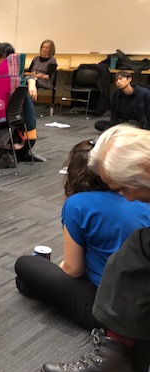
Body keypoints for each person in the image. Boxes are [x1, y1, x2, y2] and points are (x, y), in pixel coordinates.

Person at [41, 125, 150, 372]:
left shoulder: (77, 205)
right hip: (117, 302)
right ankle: (114, 354)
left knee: (136, 248)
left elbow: (73, 268)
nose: (128, 197)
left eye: (125, 188)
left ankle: (111, 356)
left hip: (99, 296)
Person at [14, 140, 150, 329]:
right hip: (143, 300)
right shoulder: (139, 197)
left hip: (108, 309)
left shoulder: (77, 204)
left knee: (25, 265)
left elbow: (74, 269)